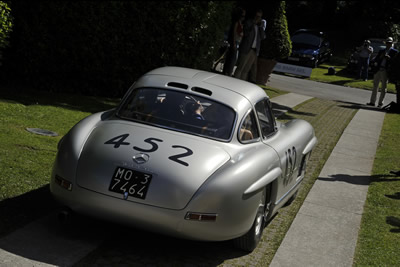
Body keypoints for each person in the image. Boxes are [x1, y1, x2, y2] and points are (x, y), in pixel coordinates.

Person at [234, 9, 265, 81]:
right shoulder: (249, 22)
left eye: (259, 17)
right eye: (257, 16)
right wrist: (253, 24)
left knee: (246, 70)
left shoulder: (259, 26)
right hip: (247, 48)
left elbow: (263, 37)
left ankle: (241, 85)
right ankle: (235, 82)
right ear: (254, 16)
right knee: (240, 67)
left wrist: (260, 27)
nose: (258, 18)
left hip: (254, 51)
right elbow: (246, 34)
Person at [367, 37, 398, 107]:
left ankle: (380, 103)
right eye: (387, 43)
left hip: (385, 70)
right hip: (378, 69)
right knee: (375, 86)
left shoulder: (394, 52)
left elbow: (395, 62)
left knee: (384, 87)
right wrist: (381, 57)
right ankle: (372, 101)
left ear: (392, 44)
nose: (388, 44)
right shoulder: (382, 51)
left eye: (389, 43)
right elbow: (376, 59)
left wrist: (389, 58)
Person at [222, 7, 245, 76]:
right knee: (232, 58)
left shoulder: (240, 23)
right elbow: (234, 33)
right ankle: (227, 72)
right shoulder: (236, 22)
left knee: (233, 58)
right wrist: (234, 43)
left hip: (237, 42)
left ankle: (228, 72)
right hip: (235, 43)